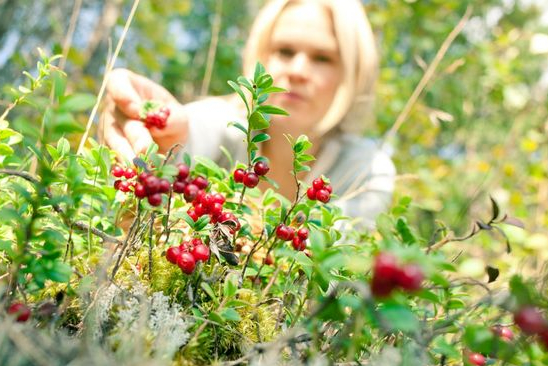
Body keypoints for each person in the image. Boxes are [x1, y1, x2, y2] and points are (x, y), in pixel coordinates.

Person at [100, 0, 395, 228]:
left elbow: (327, 273)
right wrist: (158, 134)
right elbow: (188, 135)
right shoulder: (225, 123)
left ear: (353, 74)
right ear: (261, 56)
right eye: (285, 51)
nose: (298, 71)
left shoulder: (366, 171)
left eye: (323, 58)